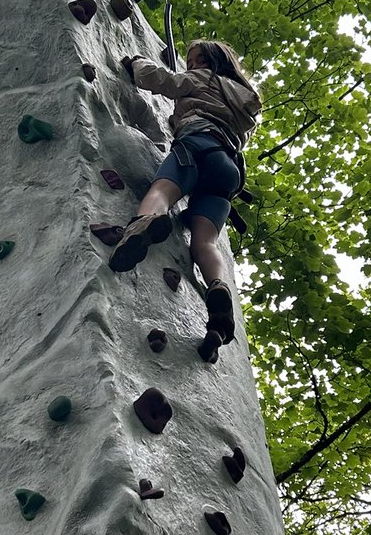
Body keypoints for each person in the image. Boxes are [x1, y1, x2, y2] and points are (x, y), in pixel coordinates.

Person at [109, 40, 261, 354]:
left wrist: (137, 62)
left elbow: (166, 82)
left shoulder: (205, 78)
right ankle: (218, 291)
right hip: (228, 172)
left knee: (162, 190)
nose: (191, 65)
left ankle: (143, 225)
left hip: (197, 146)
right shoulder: (247, 100)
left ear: (211, 62)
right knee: (204, 242)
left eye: (195, 60)